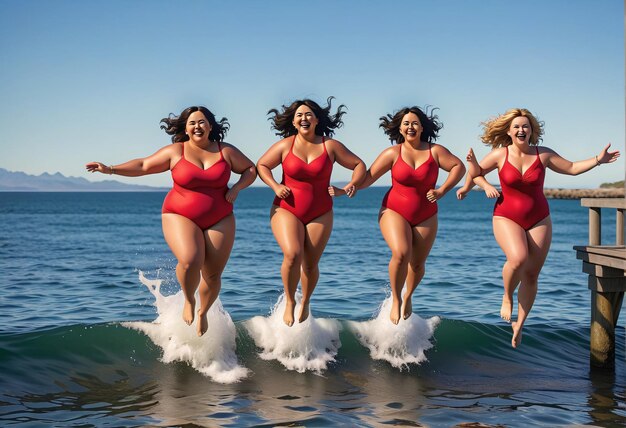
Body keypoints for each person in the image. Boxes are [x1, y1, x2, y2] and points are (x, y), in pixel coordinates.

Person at [86, 106, 256, 337]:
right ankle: (188, 300)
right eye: (192, 123)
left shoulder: (225, 151)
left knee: (213, 274)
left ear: (211, 125)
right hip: (179, 214)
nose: (197, 126)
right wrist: (111, 169)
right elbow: (144, 165)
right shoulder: (176, 151)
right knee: (189, 261)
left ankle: (203, 312)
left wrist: (237, 187)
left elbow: (250, 169)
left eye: (202, 122)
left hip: (221, 217)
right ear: (185, 128)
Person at [458, 107, 620, 348]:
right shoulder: (499, 154)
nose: (521, 130)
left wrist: (599, 160)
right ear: (509, 132)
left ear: (532, 130)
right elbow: (475, 174)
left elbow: (573, 168)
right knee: (518, 258)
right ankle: (506, 296)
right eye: (517, 127)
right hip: (506, 216)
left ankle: (520, 325)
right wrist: (479, 185)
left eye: (526, 126)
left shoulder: (542, 155)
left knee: (532, 274)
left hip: (539, 218)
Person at [332, 106, 465, 324]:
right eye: (406, 123)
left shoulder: (435, 151)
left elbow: (459, 167)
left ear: (422, 127)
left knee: (418, 264)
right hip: (393, 210)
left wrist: (442, 190)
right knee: (402, 253)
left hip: (426, 214)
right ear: (400, 129)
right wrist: (346, 188)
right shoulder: (393, 153)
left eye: (414, 123)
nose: (410, 127)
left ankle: (408, 295)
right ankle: (396, 299)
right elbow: (368, 178)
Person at [256, 97, 366, 327]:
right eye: (299, 116)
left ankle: (305, 300)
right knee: (293, 254)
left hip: (321, 211)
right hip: (286, 208)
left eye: (308, 115)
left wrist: (348, 188)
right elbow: (262, 165)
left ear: (317, 120)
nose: (304, 118)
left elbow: (359, 165)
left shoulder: (330, 146)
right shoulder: (286, 145)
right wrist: (276, 185)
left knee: (310, 264)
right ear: (294, 122)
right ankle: (289, 301)